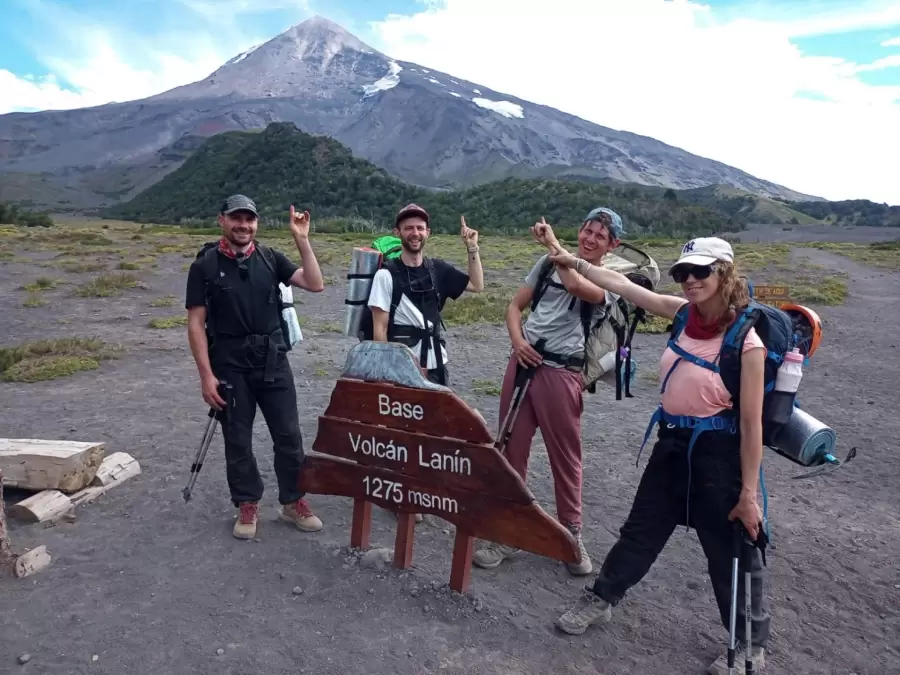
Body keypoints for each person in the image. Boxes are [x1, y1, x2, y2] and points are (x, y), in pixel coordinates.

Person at [537, 226, 769, 675]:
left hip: (718, 455)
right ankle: (603, 597)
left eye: (700, 272)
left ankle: (748, 646)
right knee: (641, 529)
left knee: (730, 550)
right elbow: (622, 285)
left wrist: (748, 496)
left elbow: (750, 423)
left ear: (724, 273)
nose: (689, 280)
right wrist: (565, 257)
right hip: (671, 446)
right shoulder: (683, 315)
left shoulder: (748, 342)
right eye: (683, 272)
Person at [472, 207, 625, 576]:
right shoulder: (545, 263)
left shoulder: (611, 278)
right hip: (524, 364)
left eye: (599, 236)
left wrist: (552, 242)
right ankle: (509, 531)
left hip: (562, 373)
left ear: (612, 245)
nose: (589, 239)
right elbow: (514, 306)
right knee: (511, 450)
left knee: (565, 457)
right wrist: (517, 340)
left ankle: (571, 536)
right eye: (587, 230)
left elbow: (575, 286)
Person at [185, 194, 326, 540]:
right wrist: (206, 375)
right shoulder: (204, 266)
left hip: (273, 361)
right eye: (236, 218)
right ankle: (247, 502)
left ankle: (293, 501)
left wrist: (302, 240)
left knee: (289, 435)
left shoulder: (269, 257)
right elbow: (195, 324)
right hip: (229, 366)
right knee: (237, 439)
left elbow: (315, 283)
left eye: (249, 219)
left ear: (256, 224)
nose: (243, 225)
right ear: (222, 220)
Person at [367, 203, 484, 387]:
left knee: (437, 414)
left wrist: (472, 247)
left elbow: (476, 285)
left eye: (420, 228)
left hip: (437, 361)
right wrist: (384, 374)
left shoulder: (438, 269)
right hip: (400, 366)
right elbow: (379, 329)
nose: (415, 233)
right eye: (409, 228)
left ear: (428, 232)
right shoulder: (385, 275)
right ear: (397, 233)